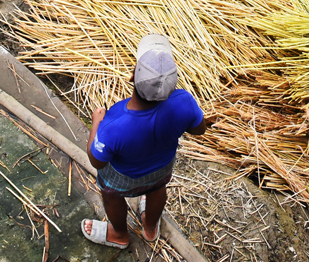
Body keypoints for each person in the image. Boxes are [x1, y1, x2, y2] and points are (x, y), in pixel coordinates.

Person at [81, 34, 214, 249]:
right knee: (157, 189)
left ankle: (119, 234)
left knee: (111, 195)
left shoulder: (114, 123)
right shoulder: (184, 102)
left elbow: (96, 162)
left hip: (123, 178)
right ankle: (150, 228)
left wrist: (96, 123)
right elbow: (199, 130)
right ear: (173, 83)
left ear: (132, 76)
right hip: (161, 169)